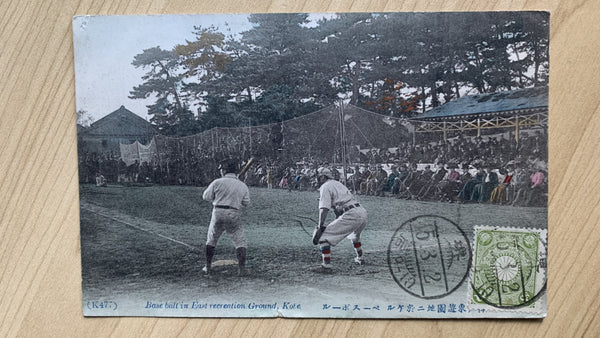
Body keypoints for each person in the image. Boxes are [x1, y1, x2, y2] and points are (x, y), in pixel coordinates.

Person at [312, 167, 367, 272]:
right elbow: (338, 207)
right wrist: (338, 216)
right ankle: (360, 258)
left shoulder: (325, 187)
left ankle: (326, 266)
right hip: (361, 211)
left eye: (319, 177)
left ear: (323, 177)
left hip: (352, 214)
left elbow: (324, 209)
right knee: (354, 236)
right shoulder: (337, 184)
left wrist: (320, 225)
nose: (317, 179)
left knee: (323, 237)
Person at [202, 159, 251, 277]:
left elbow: (206, 197)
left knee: (211, 239)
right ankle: (241, 269)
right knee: (240, 241)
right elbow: (246, 203)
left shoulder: (217, 182)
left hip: (217, 211)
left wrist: (220, 196)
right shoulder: (242, 185)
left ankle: (208, 267)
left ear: (224, 170)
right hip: (234, 213)